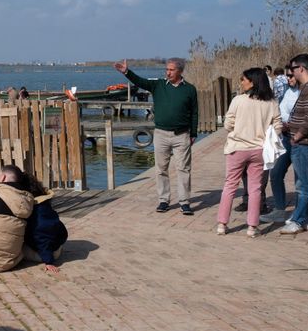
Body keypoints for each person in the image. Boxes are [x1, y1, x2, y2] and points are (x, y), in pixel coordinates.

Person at [114, 58, 198, 214]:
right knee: (161, 169)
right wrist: (127, 72)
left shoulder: (190, 89)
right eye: (167, 69)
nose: (168, 72)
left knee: (183, 169)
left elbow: (194, 113)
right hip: (161, 134)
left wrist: (193, 133)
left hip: (182, 135)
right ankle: (163, 200)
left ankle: (184, 202)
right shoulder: (158, 85)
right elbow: (140, 82)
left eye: (171, 70)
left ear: (180, 71)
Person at [215, 68, 282, 237]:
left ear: (252, 81)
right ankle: (252, 227)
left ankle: (222, 224)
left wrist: (237, 129)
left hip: (237, 148)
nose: (241, 82)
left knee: (230, 185)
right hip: (259, 150)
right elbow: (278, 126)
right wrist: (267, 135)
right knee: (255, 188)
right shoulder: (271, 102)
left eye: (243, 79)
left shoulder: (238, 100)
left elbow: (228, 124)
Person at [280, 54, 308, 234]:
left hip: (304, 143)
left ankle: (298, 220)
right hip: (303, 142)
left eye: (292, 69)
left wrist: (296, 136)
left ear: (301, 69)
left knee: (302, 186)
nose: (291, 73)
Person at [261, 66, 299, 223]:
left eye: (291, 76)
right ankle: (279, 209)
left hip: (300, 140)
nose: (288, 79)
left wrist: (291, 125)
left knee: (303, 180)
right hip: (285, 139)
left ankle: (307, 214)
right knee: (276, 174)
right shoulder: (288, 91)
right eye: (287, 75)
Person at [21, 181, 68, 274]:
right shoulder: (45, 207)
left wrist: (49, 261)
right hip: (54, 247)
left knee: (16, 249)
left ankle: (50, 255)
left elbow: (42, 238)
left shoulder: (38, 214)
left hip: (44, 254)